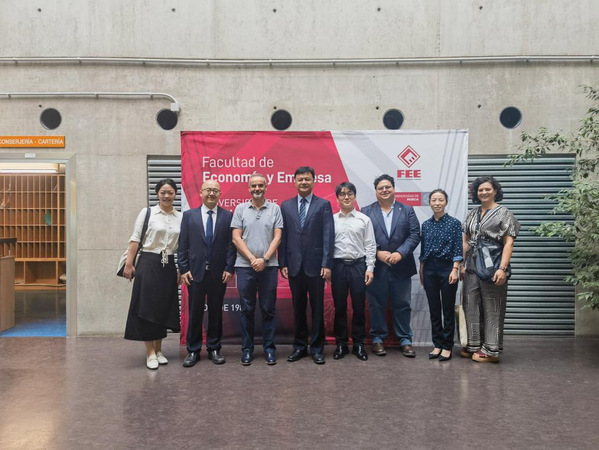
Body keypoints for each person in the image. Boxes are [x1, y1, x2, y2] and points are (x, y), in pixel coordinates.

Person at [124, 179, 182, 370]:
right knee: (147, 308)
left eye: (170, 192)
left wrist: (180, 270)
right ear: (157, 194)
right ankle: (149, 352)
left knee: (162, 309)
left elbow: (182, 246)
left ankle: (158, 350)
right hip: (148, 263)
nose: (167, 196)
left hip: (168, 265)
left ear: (175, 194)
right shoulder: (147, 212)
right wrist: (129, 264)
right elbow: (135, 239)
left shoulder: (180, 217)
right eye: (163, 192)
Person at [461, 176, 520, 363]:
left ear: (495, 191)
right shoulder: (472, 213)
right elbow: (465, 240)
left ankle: (491, 349)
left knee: (493, 306)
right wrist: (462, 264)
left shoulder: (504, 213)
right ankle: (474, 344)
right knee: (470, 304)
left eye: (487, 189)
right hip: (471, 265)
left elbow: (509, 242)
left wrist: (502, 268)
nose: (484, 192)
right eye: (480, 190)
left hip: (492, 264)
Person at [279, 166, 334, 364]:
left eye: (307, 179)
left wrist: (327, 264)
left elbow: (328, 236)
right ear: (294, 182)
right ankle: (300, 347)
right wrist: (283, 262)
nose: (304, 182)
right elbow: (283, 236)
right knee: (298, 308)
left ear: (313, 181)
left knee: (317, 309)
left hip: (317, 266)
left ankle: (317, 348)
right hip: (294, 265)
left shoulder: (323, 205)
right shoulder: (285, 206)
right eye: (300, 179)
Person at [178, 180, 236, 366]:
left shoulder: (228, 216)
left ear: (220, 194)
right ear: (201, 193)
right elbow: (182, 245)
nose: (211, 193)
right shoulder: (189, 216)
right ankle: (193, 350)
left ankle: (214, 348)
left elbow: (231, 246)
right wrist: (184, 269)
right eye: (208, 190)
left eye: (215, 191)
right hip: (195, 273)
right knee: (195, 312)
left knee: (216, 312)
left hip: (218, 274)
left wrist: (229, 268)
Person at [362, 174, 420, 357]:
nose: (384, 190)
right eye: (381, 188)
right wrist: (377, 253)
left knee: (402, 304)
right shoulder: (366, 211)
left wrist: (400, 253)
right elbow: (362, 237)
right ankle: (377, 339)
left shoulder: (407, 210)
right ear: (376, 191)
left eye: (388, 187)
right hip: (377, 268)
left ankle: (405, 340)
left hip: (401, 266)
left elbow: (414, 235)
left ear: (394, 189)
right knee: (376, 305)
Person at [231, 173, 283, 366]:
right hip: (245, 267)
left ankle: (269, 349)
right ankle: (247, 350)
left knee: (268, 309)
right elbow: (236, 237)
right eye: (254, 185)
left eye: (261, 185)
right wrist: (253, 259)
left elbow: (278, 237)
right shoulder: (240, 209)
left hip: (269, 267)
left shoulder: (275, 209)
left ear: (266, 187)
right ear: (249, 188)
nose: (257, 188)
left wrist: (265, 259)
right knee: (247, 310)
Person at [331, 182, 376, 361]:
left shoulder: (364, 220)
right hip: (338, 267)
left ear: (355, 196)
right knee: (339, 307)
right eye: (342, 194)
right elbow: (327, 246)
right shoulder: (331, 220)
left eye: (350, 193)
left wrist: (370, 268)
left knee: (359, 307)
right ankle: (341, 344)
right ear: (337, 198)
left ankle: (358, 344)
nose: (346, 197)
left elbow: (370, 245)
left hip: (358, 266)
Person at [419, 189, 463, 362]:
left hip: (447, 268)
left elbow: (458, 247)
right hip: (429, 269)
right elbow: (423, 250)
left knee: (447, 308)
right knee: (434, 309)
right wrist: (422, 269)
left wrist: (455, 268)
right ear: (429, 202)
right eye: (434, 200)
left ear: (446, 202)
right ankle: (437, 344)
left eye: (440, 200)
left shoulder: (454, 223)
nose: (437, 203)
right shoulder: (425, 225)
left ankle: (447, 346)